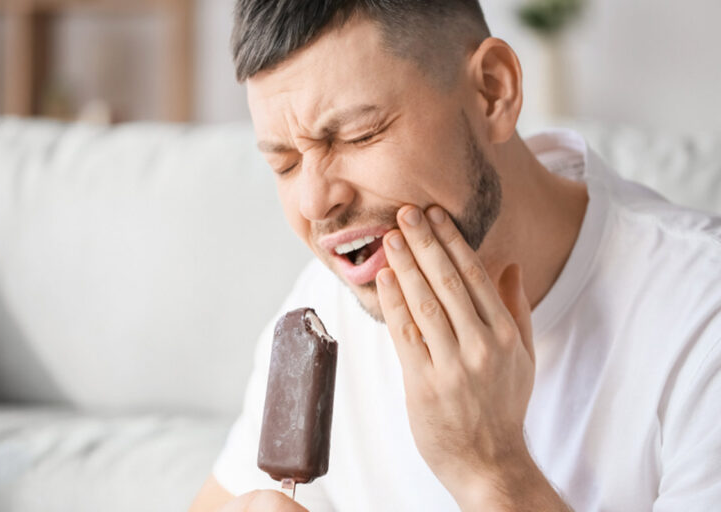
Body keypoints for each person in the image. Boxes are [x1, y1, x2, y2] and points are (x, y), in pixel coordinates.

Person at [190, 1, 721, 510]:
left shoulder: (702, 322)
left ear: (493, 91)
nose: (313, 202)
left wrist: (494, 470)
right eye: (284, 164)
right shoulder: (324, 307)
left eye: (358, 135)